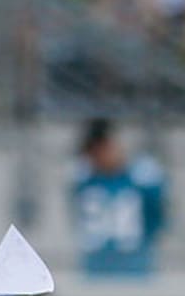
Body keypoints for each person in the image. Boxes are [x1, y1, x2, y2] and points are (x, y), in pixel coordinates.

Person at [69, 117, 169, 277]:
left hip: (134, 264)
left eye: (104, 149)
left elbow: (157, 216)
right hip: (96, 265)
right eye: (94, 152)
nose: (100, 156)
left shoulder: (140, 178)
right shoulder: (85, 180)